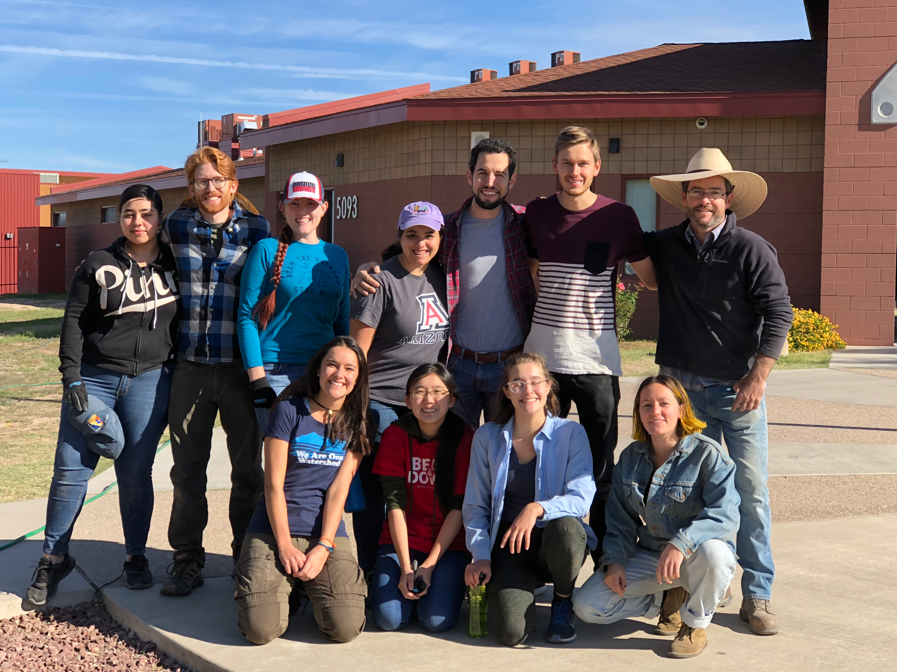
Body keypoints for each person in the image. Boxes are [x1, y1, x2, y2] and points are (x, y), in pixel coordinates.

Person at [646, 148, 793, 635]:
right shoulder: (666, 244)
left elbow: (780, 312)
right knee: (686, 495)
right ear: (684, 197)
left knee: (751, 494)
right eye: (696, 191)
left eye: (714, 191)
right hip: (683, 397)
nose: (704, 199)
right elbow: (618, 240)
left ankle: (758, 595)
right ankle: (693, 585)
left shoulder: (752, 248)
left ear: (728, 198)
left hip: (739, 394)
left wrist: (759, 376)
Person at [26, 185, 179, 605]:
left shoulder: (176, 265)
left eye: (146, 213)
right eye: (129, 213)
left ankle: (135, 556)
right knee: (70, 469)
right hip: (94, 380)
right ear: (120, 218)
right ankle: (53, 558)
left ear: (159, 217)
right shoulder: (98, 263)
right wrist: (71, 378)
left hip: (150, 382)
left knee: (135, 473)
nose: (137, 221)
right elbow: (73, 321)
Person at [523, 125, 656, 565]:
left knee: (601, 467)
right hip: (544, 363)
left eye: (583, 163)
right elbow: (525, 268)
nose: (574, 171)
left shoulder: (619, 216)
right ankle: (547, 561)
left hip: (597, 362)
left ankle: (604, 561)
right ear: (555, 166)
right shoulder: (537, 213)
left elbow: (653, 278)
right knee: (543, 462)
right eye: (567, 163)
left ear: (597, 167)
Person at [351, 139, 536, 428]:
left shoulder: (526, 224)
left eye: (499, 174)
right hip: (457, 365)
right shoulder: (447, 229)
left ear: (511, 180)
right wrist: (368, 270)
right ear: (469, 175)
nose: (490, 182)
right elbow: (411, 253)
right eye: (482, 173)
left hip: (508, 364)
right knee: (453, 447)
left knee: (503, 445)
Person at [161, 147, 271, 596]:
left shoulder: (258, 230)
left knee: (248, 472)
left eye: (218, 180)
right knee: (188, 471)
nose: (211, 188)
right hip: (190, 367)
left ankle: (246, 558)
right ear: (191, 188)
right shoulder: (176, 225)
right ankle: (187, 560)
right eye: (202, 181)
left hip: (240, 371)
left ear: (233, 185)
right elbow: (140, 252)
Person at [573, 375, 740, 659]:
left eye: (664, 403)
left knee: (717, 556)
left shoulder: (707, 454)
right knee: (587, 606)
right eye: (647, 405)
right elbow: (619, 520)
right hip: (651, 555)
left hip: (694, 556)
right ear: (638, 413)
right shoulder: (630, 457)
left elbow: (725, 513)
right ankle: (666, 599)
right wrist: (615, 561)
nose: (655, 412)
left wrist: (681, 544)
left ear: (681, 409)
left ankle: (694, 624)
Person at [234, 336, 371, 645]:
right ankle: (284, 586)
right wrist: (284, 545)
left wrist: (324, 545)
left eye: (349, 368)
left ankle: (300, 586)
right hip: (273, 530)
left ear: (358, 377)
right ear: (318, 369)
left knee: (345, 628)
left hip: (324, 532)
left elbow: (339, 489)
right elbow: (273, 484)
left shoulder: (357, 421)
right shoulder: (289, 410)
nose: (339, 374)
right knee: (259, 630)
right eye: (332, 365)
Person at [462, 352, 596, 647]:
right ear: (506, 391)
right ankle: (523, 585)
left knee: (567, 528)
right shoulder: (487, 437)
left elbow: (581, 499)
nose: (528, 390)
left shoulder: (571, 433)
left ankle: (562, 600)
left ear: (548, 387)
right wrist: (481, 554)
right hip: (509, 543)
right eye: (518, 384)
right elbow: (475, 505)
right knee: (512, 633)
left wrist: (536, 508)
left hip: (554, 542)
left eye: (535, 382)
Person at [349, 201, 450, 578]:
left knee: (421, 490)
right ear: (400, 236)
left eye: (429, 235)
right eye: (412, 235)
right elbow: (357, 352)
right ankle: (370, 571)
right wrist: (352, 408)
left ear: (440, 237)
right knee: (380, 491)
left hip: (427, 404)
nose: (420, 243)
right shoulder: (380, 280)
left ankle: (412, 566)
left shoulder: (444, 276)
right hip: (382, 401)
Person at [238, 171, 350, 432]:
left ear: (324, 208)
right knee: (282, 455)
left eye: (310, 204)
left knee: (320, 451)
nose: (302, 211)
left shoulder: (338, 255)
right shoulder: (266, 250)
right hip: (275, 373)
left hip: (325, 373)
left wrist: (343, 370)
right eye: (294, 204)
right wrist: (258, 379)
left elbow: (341, 323)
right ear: (283, 208)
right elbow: (246, 317)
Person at [370, 363, 473, 633]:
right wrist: (406, 567)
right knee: (389, 620)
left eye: (438, 392)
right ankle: (402, 582)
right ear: (407, 400)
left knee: (436, 621)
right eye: (419, 392)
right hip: (402, 542)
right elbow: (394, 504)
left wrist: (428, 565)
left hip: (449, 546)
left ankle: (435, 584)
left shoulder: (465, 439)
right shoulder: (395, 435)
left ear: (451, 399)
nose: (429, 400)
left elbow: (458, 508)